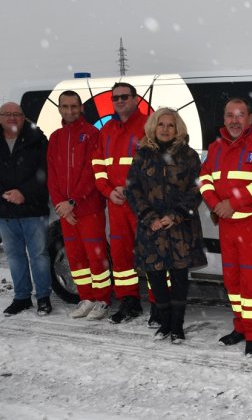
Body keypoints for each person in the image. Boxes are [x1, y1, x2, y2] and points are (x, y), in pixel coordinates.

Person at [199, 98, 252, 357]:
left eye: (240, 115)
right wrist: (216, 205)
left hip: (251, 225)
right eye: (230, 115)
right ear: (224, 119)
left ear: (250, 119)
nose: (234, 120)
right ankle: (240, 327)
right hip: (227, 225)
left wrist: (231, 203)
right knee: (232, 281)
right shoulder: (215, 147)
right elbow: (205, 179)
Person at [125, 108, 206, 344]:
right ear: (153, 127)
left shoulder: (188, 155)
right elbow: (132, 188)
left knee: (179, 278)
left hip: (180, 228)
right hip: (151, 228)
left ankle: (177, 326)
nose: (165, 129)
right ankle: (165, 322)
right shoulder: (142, 154)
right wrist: (149, 217)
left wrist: (175, 215)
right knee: (156, 277)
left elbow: (196, 188)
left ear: (178, 128)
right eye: (161, 124)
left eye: (171, 125)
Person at [0, 102, 52, 316]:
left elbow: (47, 170)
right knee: (14, 256)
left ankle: (43, 297)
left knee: (39, 255)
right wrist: (2, 193)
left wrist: (24, 193)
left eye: (16, 114)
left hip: (33, 207)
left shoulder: (37, 139)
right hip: (2, 208)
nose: (12, 117)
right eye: (7, 114)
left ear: (23, 117)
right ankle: (22, 297)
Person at [91, 82, 157, 324]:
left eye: (124, 97)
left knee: (152, 254)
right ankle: (129, 301)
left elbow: (156, 166)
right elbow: (98, 166)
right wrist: (108, 191)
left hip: (144, 204)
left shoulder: (149, 126)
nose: (119, 101)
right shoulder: (106, 130)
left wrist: (132, 189)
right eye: (115, 97)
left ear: (135, 99)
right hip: (116, 204)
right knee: (121, 258)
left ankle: (159, 304)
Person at [47, 91, 111, 320]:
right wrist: (60, 205)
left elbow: (92, 173)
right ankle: (86, 298)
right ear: (59, 108)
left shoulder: (92, 134)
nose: (69, 111)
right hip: (66, 211)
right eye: (65, 106)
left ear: (81, 107)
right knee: (76, 257)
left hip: (88, 207)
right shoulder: (56, 137)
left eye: (74, 106)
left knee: (96, 256)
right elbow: (52, 175)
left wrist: (73, 201)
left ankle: (102, 300)